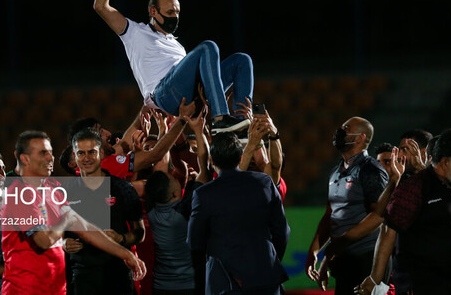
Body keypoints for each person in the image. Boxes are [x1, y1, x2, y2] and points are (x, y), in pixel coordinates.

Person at [92, 0, 253, 134]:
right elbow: (101, 7)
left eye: (177, 13)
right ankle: (220, 119)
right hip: (164, 93)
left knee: (241, 61)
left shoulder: (177, 46)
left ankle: (241, 125)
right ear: (153, 12)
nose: (174, 17)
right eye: (169, 13)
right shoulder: (134, 32)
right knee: (208, 47)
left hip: (188, 90)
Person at [0, 130, 146, 294]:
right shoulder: (19, 195)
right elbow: (43, 240)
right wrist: (66, 220)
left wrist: (126, 254)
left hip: (56, 288)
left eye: (50, 152)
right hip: (26, 290)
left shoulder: (52, 190)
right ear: (25, 158)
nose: (50, 158)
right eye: (43, 153)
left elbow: (85, 227)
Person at [356, 129, 451, 295]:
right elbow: (388, 231)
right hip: (421, 286)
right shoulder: (414, 188)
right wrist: (375, 278)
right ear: (445, 163)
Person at [187, 132, 290, 294]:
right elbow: (282, 231)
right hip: (265, 276)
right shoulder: (263, 183)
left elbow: (194, 241)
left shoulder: (203, 194)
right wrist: (267, 259)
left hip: (224, 282)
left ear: (212, 160)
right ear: (241, 157)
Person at [305, 116, 388, 294]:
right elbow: (330, 215)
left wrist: (341, 242)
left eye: (346, 127)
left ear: (360, 138)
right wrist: (314, 252)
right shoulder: (336, 171)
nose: (340, 130)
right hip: (343, 261)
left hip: (366, 261)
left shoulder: (371, 170)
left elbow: (380, 216)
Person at [62, 128, 145, 295]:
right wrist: (63, 244)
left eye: (91, 152)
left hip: (118, 274)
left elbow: (140, 232)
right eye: (81, 153)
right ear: (74, 155)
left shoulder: (123, 188)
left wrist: (121, 238)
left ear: (100, 152)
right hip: (83, 277)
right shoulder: (64, 192)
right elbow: (55, 234)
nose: (86, 158)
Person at [145, 103, 212, 295]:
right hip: (190, 287)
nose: (174, 176)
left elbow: (160, 165)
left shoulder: (151, 208)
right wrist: (198, 130)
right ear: (175, 194)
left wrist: (164, 130)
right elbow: (205, 165)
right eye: (173, 179)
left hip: (161, 287)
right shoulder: (185, 209)